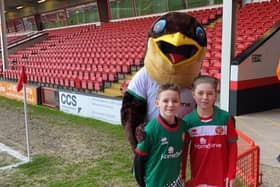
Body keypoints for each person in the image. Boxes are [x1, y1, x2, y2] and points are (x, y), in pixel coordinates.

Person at [183, 75, 238, 187]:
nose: (205, 97)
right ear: (193, 94)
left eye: (209, 93)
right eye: (200, 93)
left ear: (215, 95)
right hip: (198, 178)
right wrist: (183, 176)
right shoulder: (188, 121)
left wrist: (231, 174)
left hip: (221, 179)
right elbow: (183, 152)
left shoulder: (225, 118)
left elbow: (233, 147)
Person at [134, 83, 188, 187]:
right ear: (157, 103)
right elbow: (139, 160)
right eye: (165, 101)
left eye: (175, 101)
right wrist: (142, 183)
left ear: (180, 103)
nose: (171, 104)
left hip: (176, 182)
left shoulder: (183, 126)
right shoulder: (149, 130)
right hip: (155, 183)